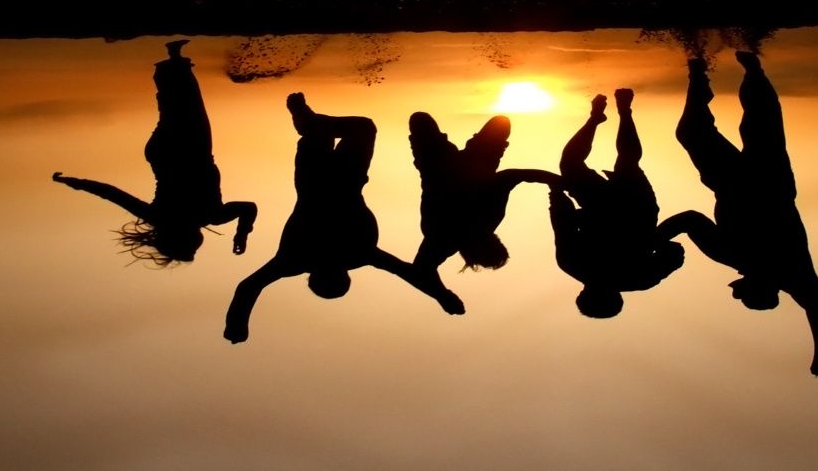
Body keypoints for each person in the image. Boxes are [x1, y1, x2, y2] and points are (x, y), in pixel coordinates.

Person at [224, 93, 464, 343]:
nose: (331, 260)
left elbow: (249, 287)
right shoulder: (355, 254)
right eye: (336, 270)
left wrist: (237, 326)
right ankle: (309, 121)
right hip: (342, 178)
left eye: (327, 270)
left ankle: (309, 121)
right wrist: (442, 296)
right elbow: (408, 273)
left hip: (318, 180)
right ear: (342, 273)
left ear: (315, 275)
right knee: (355, 128)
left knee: (337, 132)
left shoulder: (297, 259)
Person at [661, 52, 818, 376]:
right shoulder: (794, 272)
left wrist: (650, 242)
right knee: (760, 122)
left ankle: (699, 74)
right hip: (771, 184)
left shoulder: (730, 254)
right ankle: (752, 69)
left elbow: (689, 219)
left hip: (730, 182)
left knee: (694, 131)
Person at [53, 40, 258, 264]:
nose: (198, 244)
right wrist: (74, 183)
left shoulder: (207, 216)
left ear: (187, 239)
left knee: (186, 104)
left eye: (193, 247)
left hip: (185, 151)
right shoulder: (170, 217)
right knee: (176, 107)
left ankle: (173, 61)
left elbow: (111, 194)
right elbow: (111, 194)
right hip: (166, 152)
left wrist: (242, 233)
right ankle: (173, 59)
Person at [550, 89, 685, 317]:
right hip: (635, 211)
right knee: (624, 164)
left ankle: (599, 117)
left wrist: (557, 194)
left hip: (603, 208)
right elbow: (675, 253)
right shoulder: (640, 278)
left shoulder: (573, 264)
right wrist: (647, 241)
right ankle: (622, 111)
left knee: (579, 163)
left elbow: (563, 224)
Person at [409, 111, 556, 273]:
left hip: (440, 168)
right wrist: (557, 182)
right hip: (476, 164)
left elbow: (421, 270)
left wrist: (557, 181)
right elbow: (512, 176)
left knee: (420, 119)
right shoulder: (490, 217)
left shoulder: (441, 242)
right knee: (501, 123)